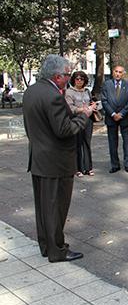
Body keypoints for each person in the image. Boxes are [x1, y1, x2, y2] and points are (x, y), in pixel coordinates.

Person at [23, 54, 94, 262]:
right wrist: (84, 115)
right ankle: (57, 250)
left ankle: (46, 245)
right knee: (56, 207)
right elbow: (64, 129)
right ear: (56, 76)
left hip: (39, 157)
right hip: (56, 160)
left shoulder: (32, 91)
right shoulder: (53, 95)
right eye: (66, 74)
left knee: (44, 207)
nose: (69, 78)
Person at [101, 65, 128, 173]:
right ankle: (115, 165)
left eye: (120, 72)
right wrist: (113, 114)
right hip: (111, 118)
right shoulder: (106, 84)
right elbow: (104, 101)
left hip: (124, 117)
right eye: (116, 71)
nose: (118, 74)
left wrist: (122, 113)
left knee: (127, 142)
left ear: (123, 73)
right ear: (113, 72)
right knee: (112, 142)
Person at [65, 71, 96, 177]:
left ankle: (88, 168)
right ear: (73, 80)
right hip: (76, 120)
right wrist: (81, 109)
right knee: (77, 143)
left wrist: (93, 106)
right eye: (77, 79)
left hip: (88, 120)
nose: (79, 81)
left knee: (87, 143)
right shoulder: (69, 92)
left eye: (81, 79)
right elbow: (70, 107)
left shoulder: (87, 91)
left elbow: (91, 102)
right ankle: (78, 168)